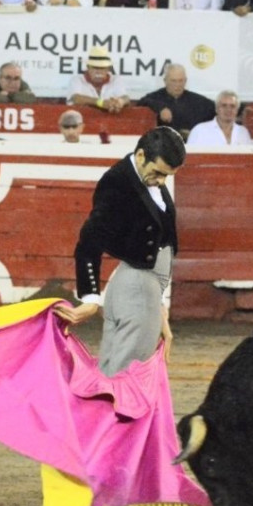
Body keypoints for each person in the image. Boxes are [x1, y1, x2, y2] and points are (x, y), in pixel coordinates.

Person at [53, 126, 186, 376]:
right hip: (137, 288)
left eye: (166, 176)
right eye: (158, 172)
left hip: (138, 288)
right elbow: (89, 241)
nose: (161, 181)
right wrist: (91, 299)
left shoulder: (143, 175)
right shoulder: (116, 183)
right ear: (140, 156)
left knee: (112, 372)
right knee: (128, 378)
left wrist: (159, 307)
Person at [137, 63, 215, 137]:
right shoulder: (156, 97)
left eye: (180, 81)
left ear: (185, 81)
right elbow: (141, 103)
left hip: (191, 144)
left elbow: (216, 109)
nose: (177, 85)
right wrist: (160, 108)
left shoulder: (198, 101)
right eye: (173, 81)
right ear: (165, 81)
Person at [68, 45, 131, 112]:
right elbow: (75, 98)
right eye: (95, 67)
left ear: (108, 69)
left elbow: (126, 97)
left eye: (102, 68)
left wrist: (120, 102)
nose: (98, 71)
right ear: (88, 68)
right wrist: (100, 103)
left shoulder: (116, 80)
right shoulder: (77, 80)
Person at [186, 90, 252, 147]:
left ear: (237, 110)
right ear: (216, 109)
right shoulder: (199, 131)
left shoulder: (243, 132)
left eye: (232, 106)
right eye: (224, 105)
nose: (228, 109)